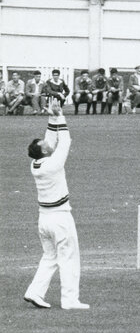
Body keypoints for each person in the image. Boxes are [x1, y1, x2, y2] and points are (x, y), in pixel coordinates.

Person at [23, 100, 88, 309]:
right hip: (60, 218)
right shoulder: (53, 163)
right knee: (68, 257)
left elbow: (50, 141)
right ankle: (70, 300)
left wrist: (52, 116)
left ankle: (34, 292)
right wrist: (61, 117)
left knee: (50, 257)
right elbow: (65, 142)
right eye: (44, 144)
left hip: (44, 219)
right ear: (43, 151)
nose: (47, 142)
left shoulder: (36, 163)